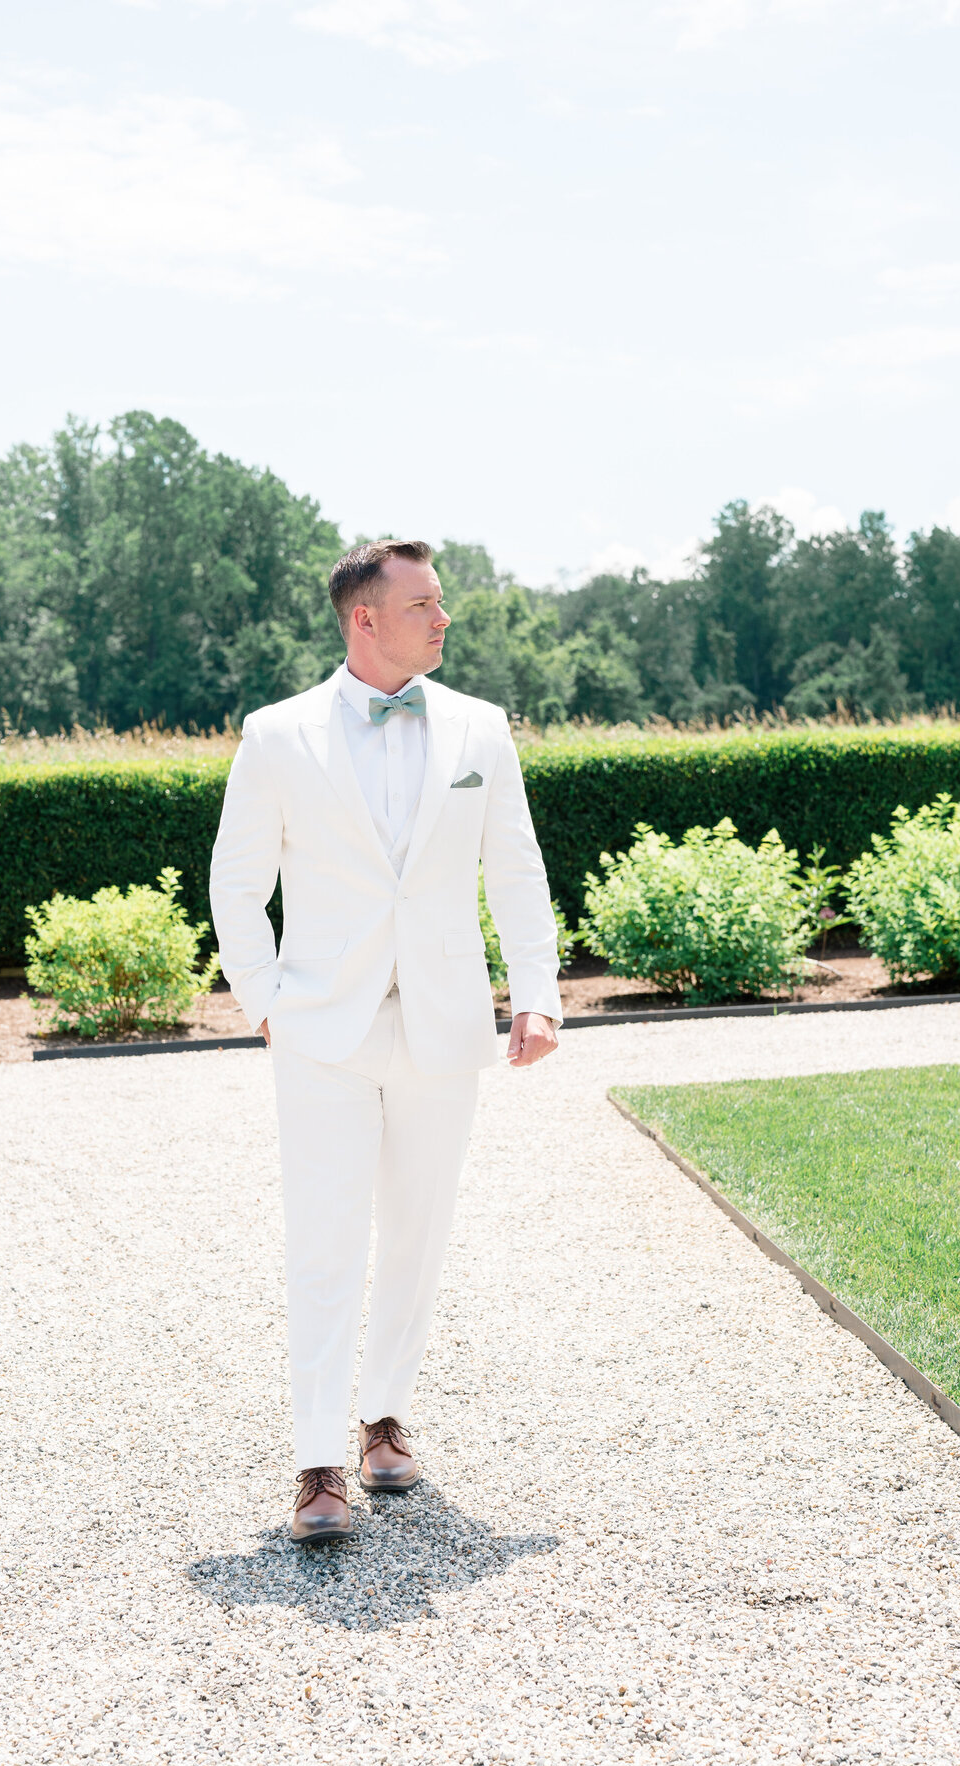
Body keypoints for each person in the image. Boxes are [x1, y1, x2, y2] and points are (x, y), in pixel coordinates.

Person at [210, 539, 561, 1543]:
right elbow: (238, 883)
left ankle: (384, 1421)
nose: (443, 618)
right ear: (365, 618)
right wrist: (266, 1001)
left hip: (444, 1025)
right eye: (423, 605)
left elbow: (517, 870)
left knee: (417, 1234)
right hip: (321, 1027)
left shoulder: (481, 728)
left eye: (439, 603)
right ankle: (317, 1462)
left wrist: (534, 994)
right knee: (324, 1244)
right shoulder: (277, 736)